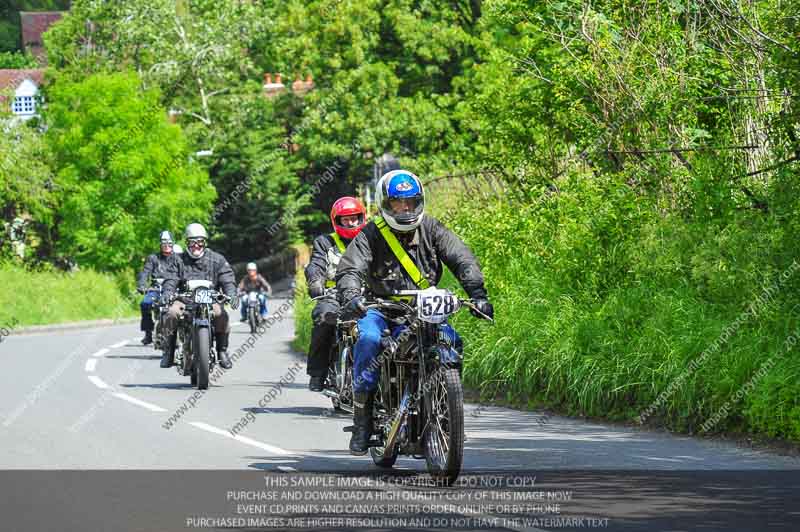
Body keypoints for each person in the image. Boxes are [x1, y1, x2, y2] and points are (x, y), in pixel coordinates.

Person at [336, 170, 494, 455]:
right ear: (387, 204)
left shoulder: (433, 229)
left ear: (419, 201)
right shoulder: (371, 233)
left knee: (452, 339)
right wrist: (351, 295)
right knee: (369, 341)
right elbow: (350, 267)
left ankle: (448, 410)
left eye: (411, 202)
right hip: (380, 307)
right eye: (398, 203)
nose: (406, 209)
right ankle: (363, 421)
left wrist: (478, 294)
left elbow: (462, 257)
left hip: (422, 308)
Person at [305, 196, 367, 392]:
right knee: (324, 318)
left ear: (361, 218)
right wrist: (315, 280)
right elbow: (316, 264)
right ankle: (318, 373)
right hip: (333, 296)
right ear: (337, 221)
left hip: (365, 295)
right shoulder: (325, 242)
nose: (350, 223)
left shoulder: (370, 239)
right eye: (345, 219)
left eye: (354, 218)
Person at [161, 223, 239, 370]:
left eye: (200, 242)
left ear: (205, 242)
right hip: (184, 300)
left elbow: (227, 278)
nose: (196, 246)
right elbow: (170, 279)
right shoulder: (177, 260)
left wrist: (232, 294)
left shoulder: (217, 260)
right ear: (187, 243)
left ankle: (222, 351)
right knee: (171, 313)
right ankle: (169, 351)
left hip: (210, 300)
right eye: (192, 242)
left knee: (221, 315)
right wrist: (167, 293)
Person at [136, 231, 178, 345]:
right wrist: (142, 284)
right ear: (160, 244)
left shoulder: (178, 258)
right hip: (156, 289)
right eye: (164, 242)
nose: (166, 245)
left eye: (169, 242)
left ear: (173, 243)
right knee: (145, 303)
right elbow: (145, 272)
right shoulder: (153, 258)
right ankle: (148, 333)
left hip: (174, 290)